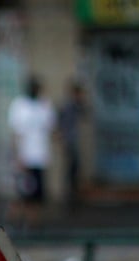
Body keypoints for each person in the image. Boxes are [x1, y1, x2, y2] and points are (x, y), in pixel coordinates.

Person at [7, 75, 56, 228]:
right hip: (25, 157)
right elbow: (16, 133)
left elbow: (51, 129)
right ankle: (13, 223)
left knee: (37, 194)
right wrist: (17, 156)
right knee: (21, 193)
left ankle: (32, 223)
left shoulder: (45, 105)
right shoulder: (19, 105)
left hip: (40, 156)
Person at [57, 79, 88, 207]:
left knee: (73, 169)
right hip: (69, 141)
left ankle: (72, 196)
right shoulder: (69, 106)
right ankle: (70, 197)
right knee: (72, 169)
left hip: (70, 140)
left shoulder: (73, 106)